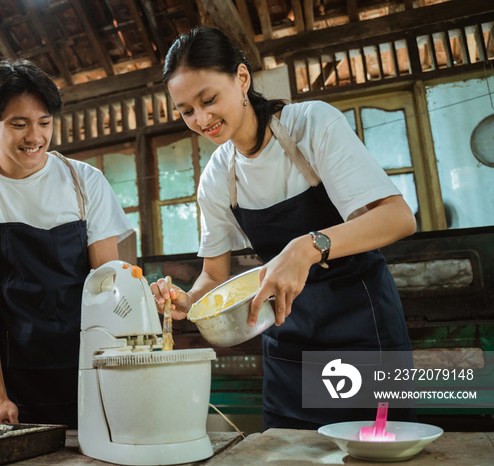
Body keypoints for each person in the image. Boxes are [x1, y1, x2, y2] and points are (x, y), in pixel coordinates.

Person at [150, 27, 417, 429]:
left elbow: (398, 217)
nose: (202, 119)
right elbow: (213, 276)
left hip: (362, 328)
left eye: (209, 100)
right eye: (187, 110)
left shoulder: (311, 124)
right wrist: (189, 302)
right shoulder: (218, 177)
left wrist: (308, 247)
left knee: (373, 449)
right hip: (288, 341)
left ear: (242, 79)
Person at [0, 58, 133, 428]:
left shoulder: (85, 181)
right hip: (15, 379)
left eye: (44, 123)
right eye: (19, 124)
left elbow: (106, 279)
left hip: (88, 367)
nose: (35, 137)